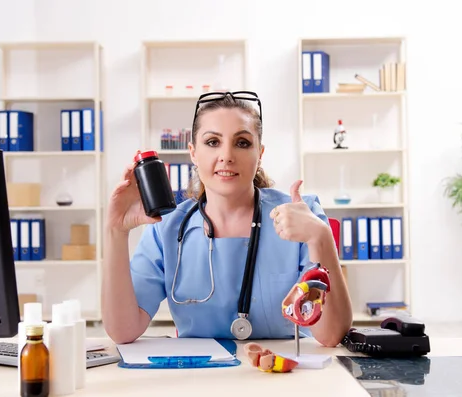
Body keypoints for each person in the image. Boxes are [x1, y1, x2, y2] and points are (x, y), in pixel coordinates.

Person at [102, 91, 352, 346]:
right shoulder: (166, 227)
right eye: (212, 142)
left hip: (285, 373)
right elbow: (123, 331)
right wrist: (115, 231)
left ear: (260, 153)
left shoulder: (302, 213)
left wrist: (320, 237)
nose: (227, 156)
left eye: (242, 142)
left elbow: (331, 336)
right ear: (193, 153)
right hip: (201, 377)